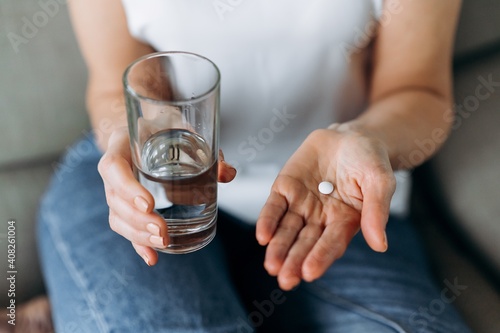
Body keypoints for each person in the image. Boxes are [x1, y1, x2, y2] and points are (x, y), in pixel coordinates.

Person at [37, 0, 472, 332]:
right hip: (149, 187)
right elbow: (114, 80)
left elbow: (419, 91)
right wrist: (139, 132)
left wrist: (367, 139)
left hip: (336, 201)